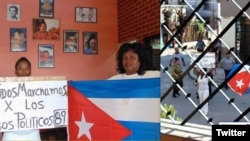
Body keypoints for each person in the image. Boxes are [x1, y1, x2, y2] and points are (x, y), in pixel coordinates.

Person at [2, 57, 41, 141]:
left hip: (33, 134)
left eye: (27, 69)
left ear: (30, 70)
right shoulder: (5, 88)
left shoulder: (39, 88)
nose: (24, 72)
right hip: (10, 134)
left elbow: (48, 103)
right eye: (20, 69)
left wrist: (61, 96)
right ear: (15, 71)